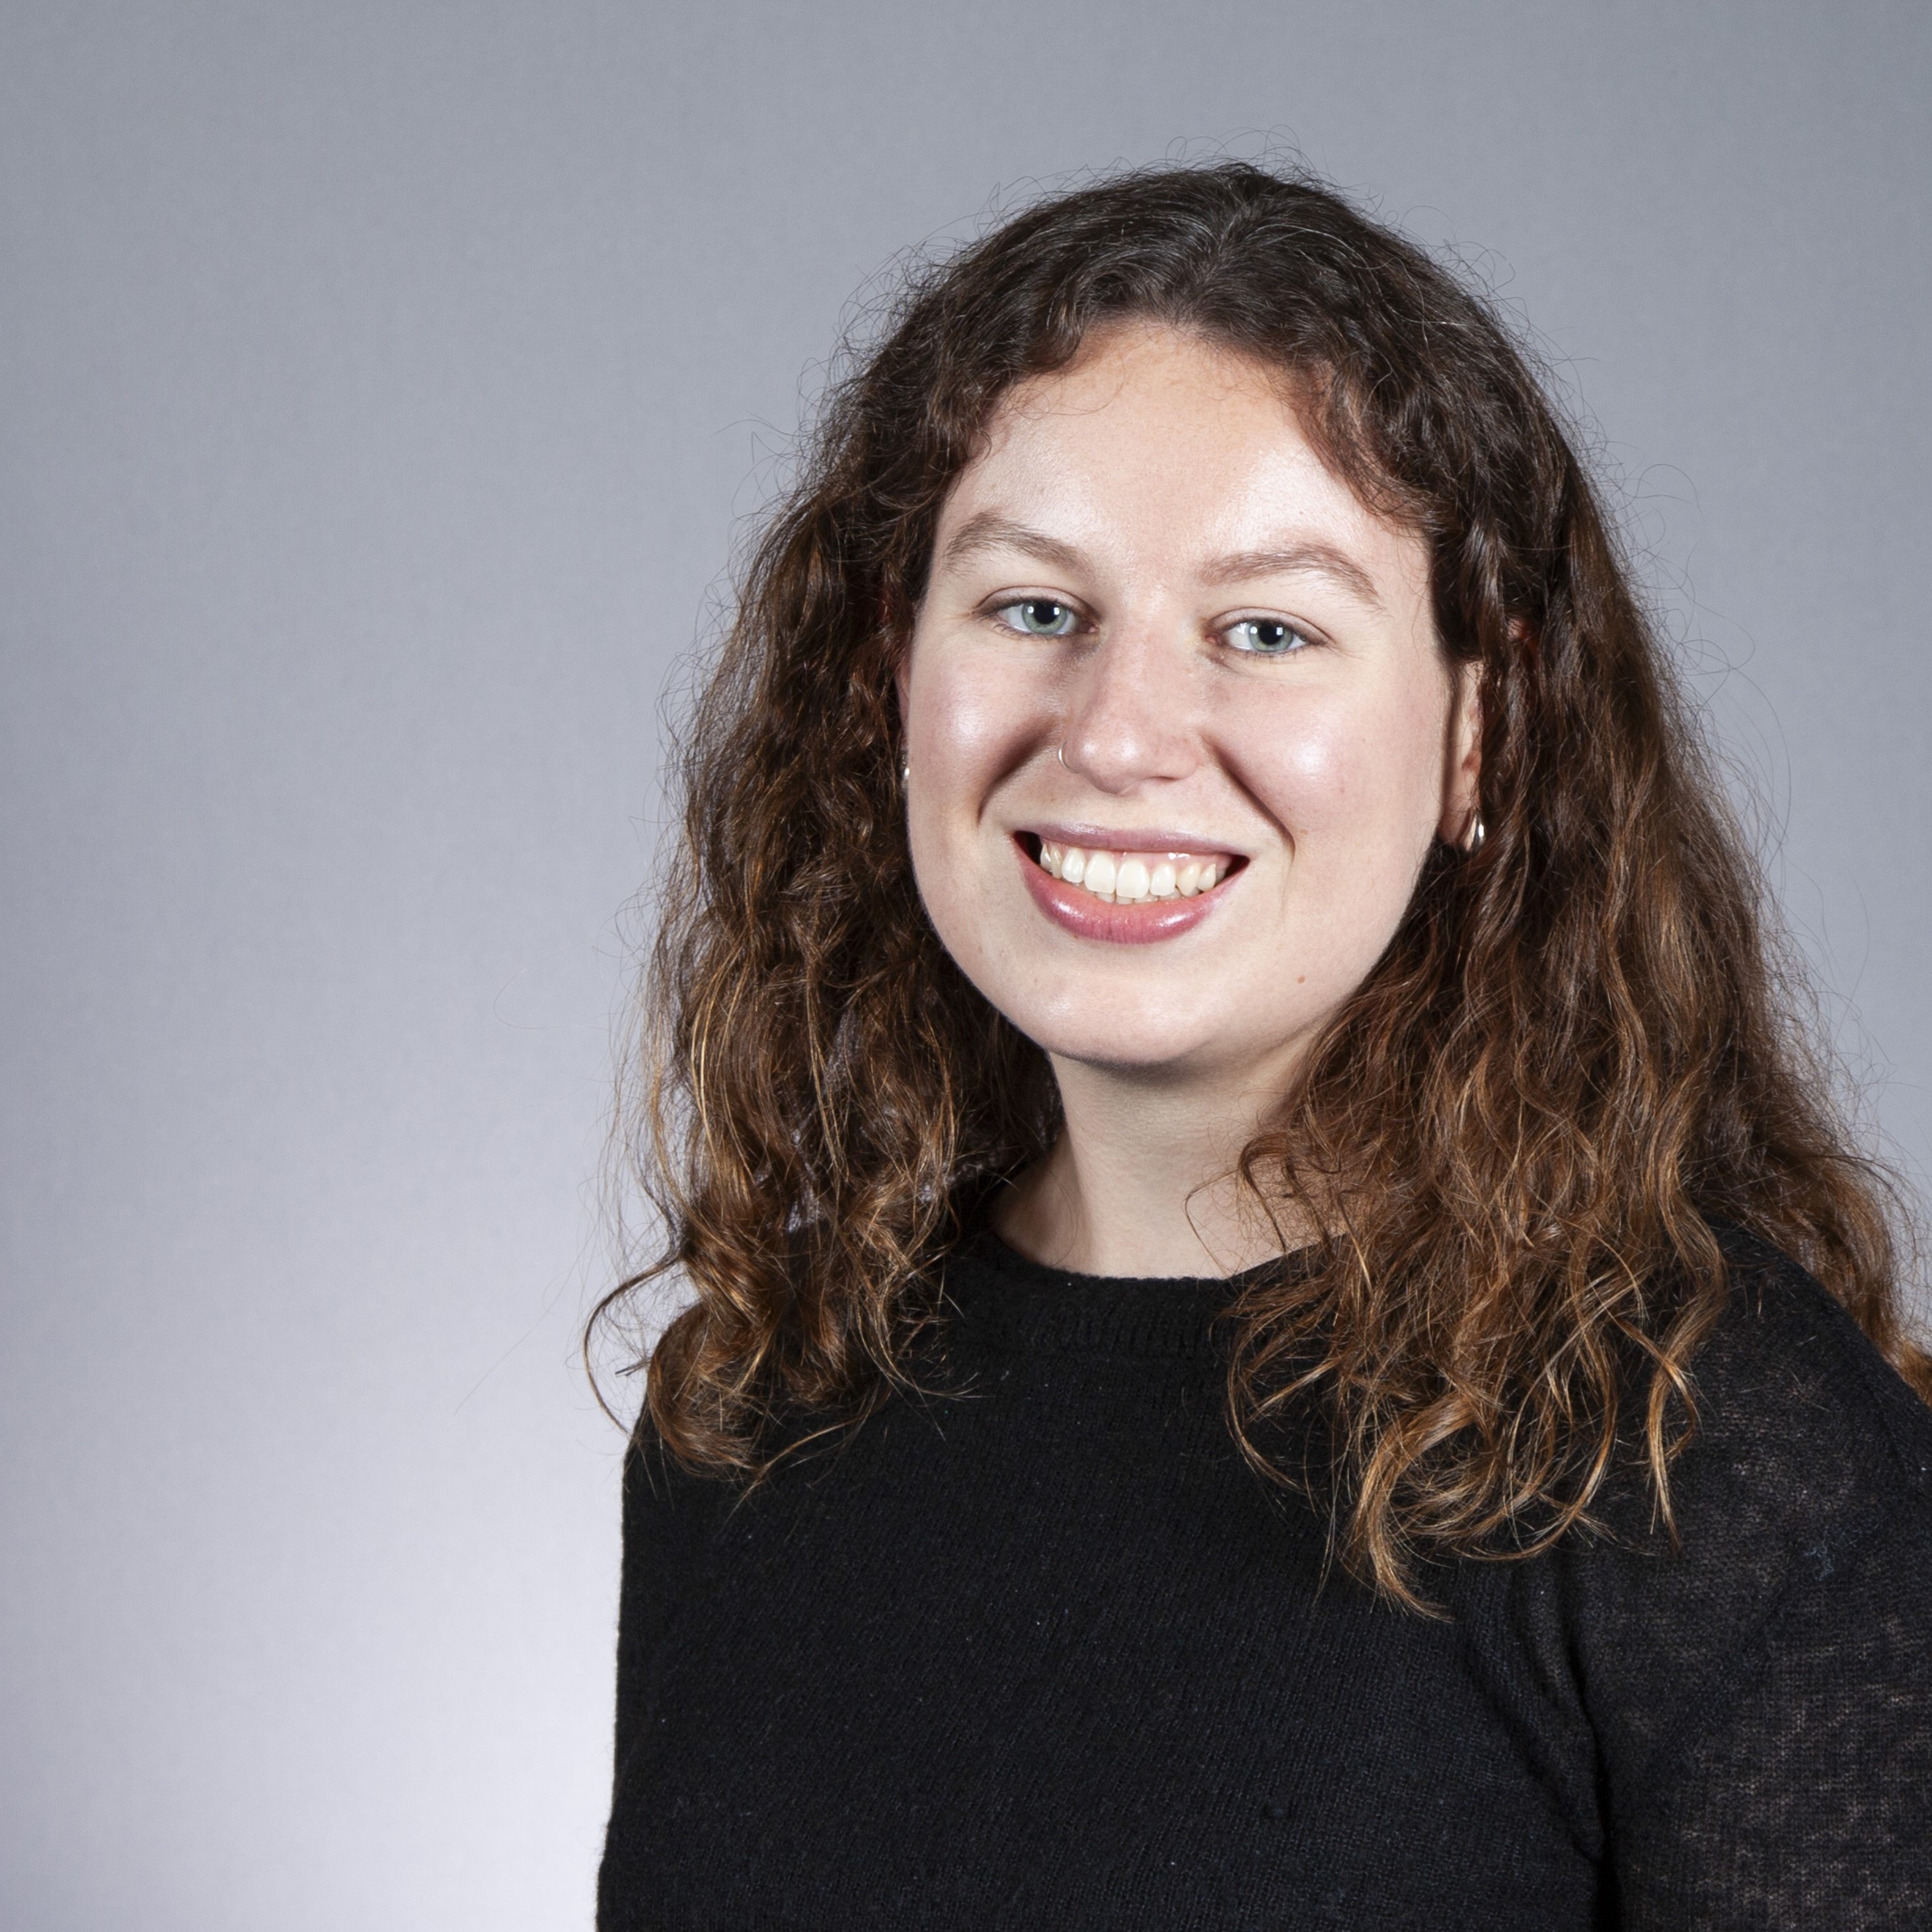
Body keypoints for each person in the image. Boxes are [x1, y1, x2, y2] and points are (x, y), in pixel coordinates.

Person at [591, 162, 1932, 1929]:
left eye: (1268, 630)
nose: (1123, 733)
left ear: (1480, 732)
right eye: (1033, 607)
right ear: (880, 679)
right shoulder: (755, 1402)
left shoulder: (1713, 1445)